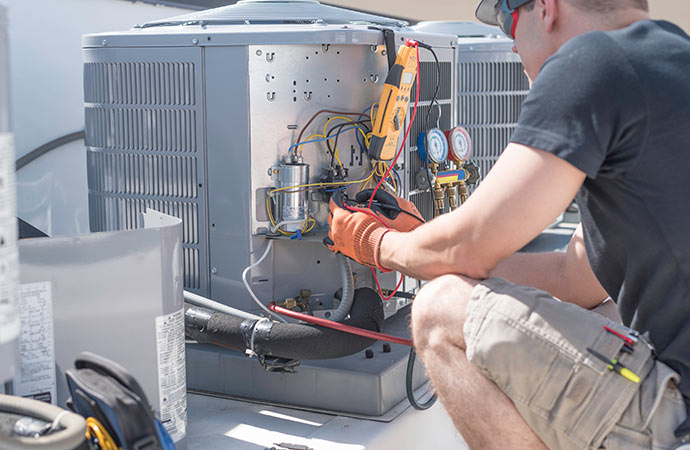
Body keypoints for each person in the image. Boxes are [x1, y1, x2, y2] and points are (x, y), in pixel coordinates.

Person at [324, 0, 690, 448]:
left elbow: (469, 248)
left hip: (677, 406)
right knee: (596, 306)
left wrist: (374, 242)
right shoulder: (673, 60)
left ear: (547, 9)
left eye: (506, 19)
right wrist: (422, 239)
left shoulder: (592, 62)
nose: (511, 44)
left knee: (439, 310)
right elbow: (573, 279)